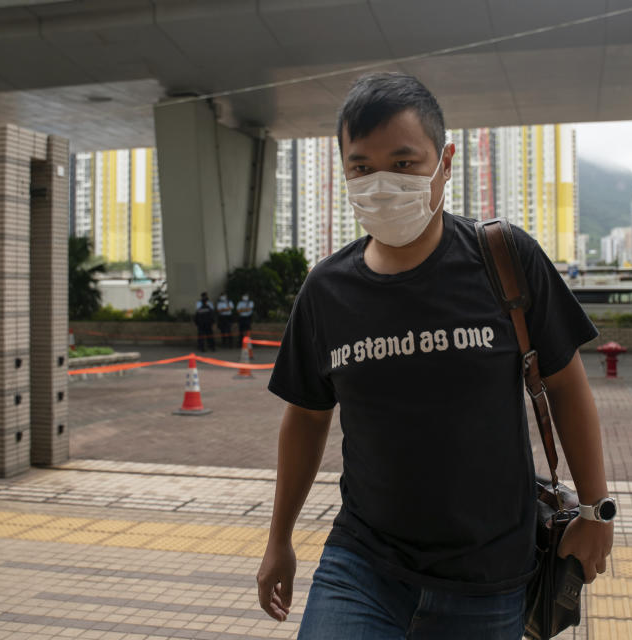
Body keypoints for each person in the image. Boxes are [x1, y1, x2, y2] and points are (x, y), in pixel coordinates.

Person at [257, 73, 613, 639]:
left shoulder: (504, 259)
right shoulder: (326, 291)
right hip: (362, 565)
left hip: (489, 578)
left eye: (403, 164)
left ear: (445, 162)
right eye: (361, 167)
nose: (381, 184)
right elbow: (304, 417)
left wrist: (596, 512)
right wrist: (279, 540)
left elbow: (567, 386)